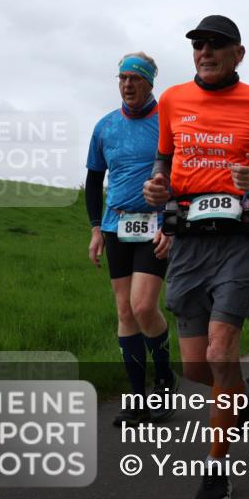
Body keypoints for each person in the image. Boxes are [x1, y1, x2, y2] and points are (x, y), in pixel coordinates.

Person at [143, 15, 249, 499]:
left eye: (216, 45)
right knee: (197, 367)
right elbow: (163, 161)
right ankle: (242, 391)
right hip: (189, 242)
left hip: (240, 242)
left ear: (238, 53)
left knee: (217, 351)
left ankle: (217, 472)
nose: (204, 52)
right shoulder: (171, 100)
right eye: (198, 45)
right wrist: (156, 187)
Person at [86, 51, 176, 427]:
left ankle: (165, 383)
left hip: (154, 225)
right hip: (116, 226)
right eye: (122, 78)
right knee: (124, 311)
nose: (127, 85)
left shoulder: (166, 123)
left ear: (150, 83)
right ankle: (138, 398)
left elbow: (183, 176)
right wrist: (95, 228)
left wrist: (170, 224)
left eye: (135, 78)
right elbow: (93, 179)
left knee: (142, 307)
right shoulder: (105, 126)